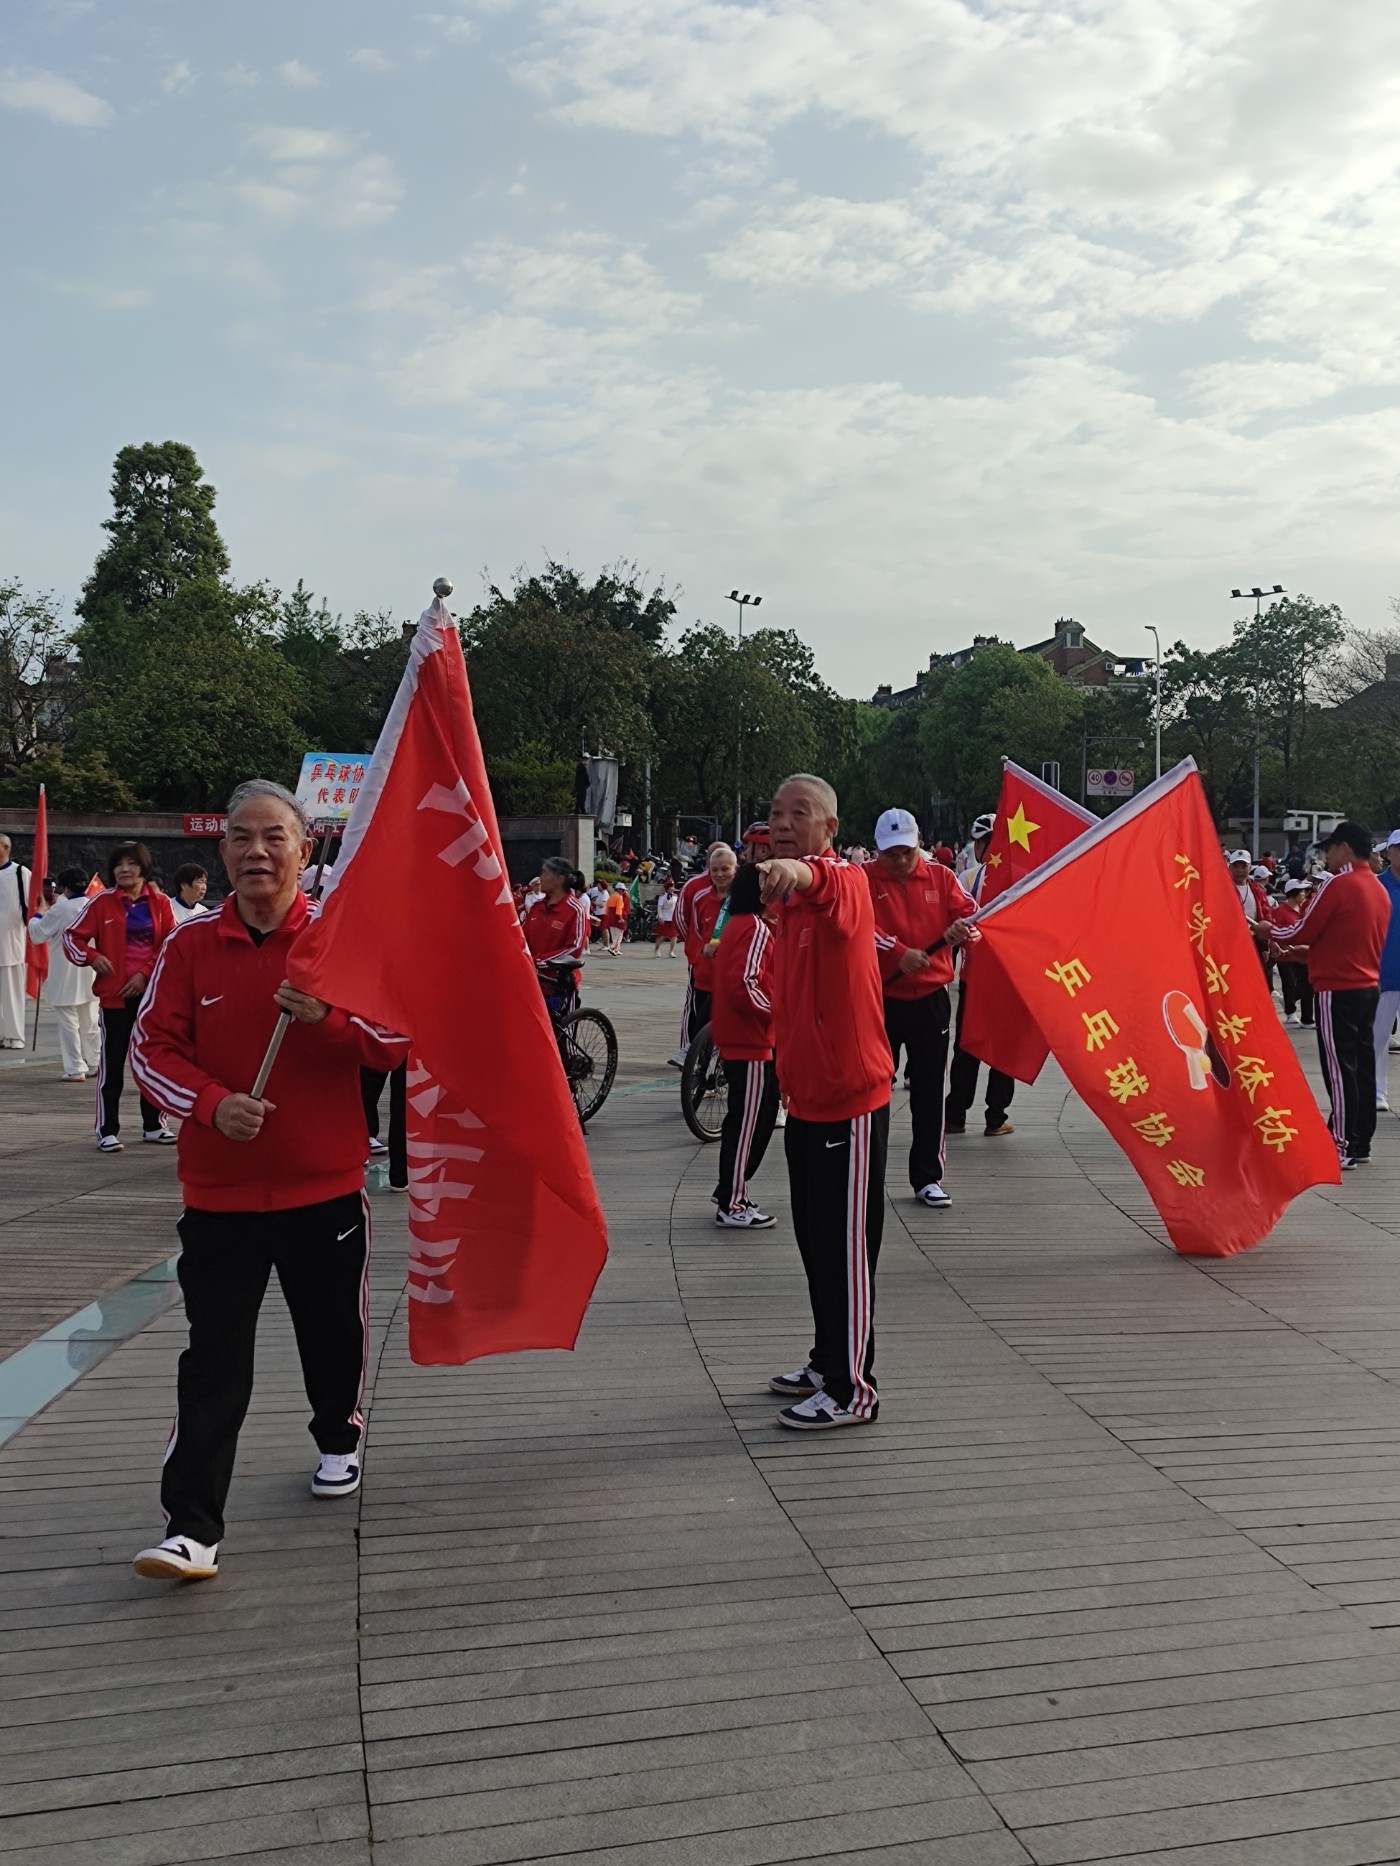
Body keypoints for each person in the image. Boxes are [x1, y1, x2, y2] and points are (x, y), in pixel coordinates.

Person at [126, 779, 409, 1582]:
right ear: (221, 853)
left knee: (332, 1334)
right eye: (242, 838)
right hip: (220, 1196)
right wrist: (212, 1105)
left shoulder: (337, 941)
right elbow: (150, 1051)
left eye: (273, 837)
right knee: (213, 1358)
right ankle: (191, 1528)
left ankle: (338, 1436)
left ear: (303, 848)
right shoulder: (190, 947)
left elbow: (395, 1038)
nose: (257, 852)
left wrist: (330, 1018)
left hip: (324, 1188)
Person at [759, 774, 893, 1431]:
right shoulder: (789, 912)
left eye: (800, 812)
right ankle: (826, 1361)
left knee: (846, 1251)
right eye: (776, 813)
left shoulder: (847, 882)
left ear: (830, 827)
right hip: (806, 1101)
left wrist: (792, 870)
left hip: (851, 1103)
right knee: (816, 1244)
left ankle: (852, 1389)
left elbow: (820, 878)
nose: (783, 822)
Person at [864, 808, 977, 1209]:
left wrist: (964, 930)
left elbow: (973, 916)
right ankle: (867, 1173)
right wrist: (898, 952)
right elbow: (856, 927)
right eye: (890, 854)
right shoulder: (862, 879)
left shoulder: (941, 878)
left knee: (929, 1091)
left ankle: (928, 1177)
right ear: (878, 850)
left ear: (918, 846)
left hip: (930, 999)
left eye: (906, 852)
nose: (899, 861)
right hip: (880, 997)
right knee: (873, 1089)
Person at [1272, 821, 1390, 1167]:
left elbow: (1302, 928)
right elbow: (1345, 942)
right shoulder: (1377, 888)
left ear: (1345, 848)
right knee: (1362, 1066)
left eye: (1331, 849)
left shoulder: (1339, 884)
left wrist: (1269, 931)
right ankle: (1360, 1141)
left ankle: (1341, 1142)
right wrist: (1306, 954)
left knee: (1338, 1068)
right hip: (1367, 986)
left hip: (1336, 988)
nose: (1328, 856)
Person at [63, 841, 177, 1151]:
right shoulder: (102, 903)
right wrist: (92, 956)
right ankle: (107, 1130)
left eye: (131, 864)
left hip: (151, 997)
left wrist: (145, 974)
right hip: (115, 998)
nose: (124, 870)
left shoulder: (160, 903)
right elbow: (72, 937)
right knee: (112, 1063)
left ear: (143, 867)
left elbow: (171, 945)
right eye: (118, 865)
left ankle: (154, 1125)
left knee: (153, 1060)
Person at [710, 863, 780, 1229]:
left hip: (740, 1036)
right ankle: (732, 1202)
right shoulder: (754, 927)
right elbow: (746, 983)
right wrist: (779, 1014)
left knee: (746, 1119)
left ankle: (731, 1191)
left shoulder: (739, 923)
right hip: (750, 1039)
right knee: (746, 1124)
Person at [946, 813, 1015, 1139]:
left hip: (974, 979)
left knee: (967, 1045)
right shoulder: (1021, 879)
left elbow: (955, 926)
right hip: (1007, 980)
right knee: (1003, 1050)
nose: (975, 848)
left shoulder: (969, 878)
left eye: (979, 842)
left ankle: (955, 1114)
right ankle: (995, 1117)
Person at [27, 866, 102, 1080]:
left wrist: (38, 913)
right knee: (90, 1022)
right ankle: (96, 1062)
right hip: (90, 970)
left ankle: (75, 1068)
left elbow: (37, 934)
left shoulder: (61, 909)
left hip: (65, 971)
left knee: (68, 1022)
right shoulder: (94, 905)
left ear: (65, 888)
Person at [669, 842, 736, 1066]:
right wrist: (696, 952)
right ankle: (696, 1061)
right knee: (699, 1019)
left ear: (735, 869)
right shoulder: (699, 894)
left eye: (725, 869)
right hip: (704, 970)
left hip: (734, 972)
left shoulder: (743, 898)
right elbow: (690, 927)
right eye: (715, 869)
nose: (719, 874)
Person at [522, 856, 590, 1005]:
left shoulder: (574, 909)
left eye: (544, 873)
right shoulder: (537, 907)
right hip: (531, 981)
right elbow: (521, 938)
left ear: (559, 879)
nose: (540, 878)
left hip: (558, 984)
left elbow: (574, 948)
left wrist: (538, 962)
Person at [1374, 831, 1400, 1112]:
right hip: (1384, 973)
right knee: (1379, 1037)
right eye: (1398, 849)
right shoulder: (1377, 886)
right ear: (1388, 852)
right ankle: (1378, 1091)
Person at [0, 831, 32, 1049]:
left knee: (12, 992)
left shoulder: (21, 873)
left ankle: (15, 1036)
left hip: (11, 943)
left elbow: (32, 905)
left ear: (5, 848)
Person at [1272, 879, 1315, 1028]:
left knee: (1308, 985)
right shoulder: (1280, 911)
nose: (1304, 895)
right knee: (1289, 984)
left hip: (1302, 954)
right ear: (1293, 893)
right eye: (1301, 892)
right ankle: (1290, 1012)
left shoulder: (1304, 909)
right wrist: (1276, 945)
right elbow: (1274, 930)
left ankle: (1307, 1018)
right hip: (1286, 955)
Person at [601, 880, 630, 955]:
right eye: (623, 890)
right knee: (619, 934)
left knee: (614, 934)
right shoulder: (619, 897)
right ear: (619, 890)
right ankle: (613, 948)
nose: (623, 892)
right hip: (617, 918)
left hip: (610, 918)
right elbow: (618, 910)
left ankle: (616, 949)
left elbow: (607, 908)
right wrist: (621, 918)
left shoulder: (611, 896)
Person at [654, 879, 679, 956]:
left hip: (673, 919)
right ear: (667, 888)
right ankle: (657, 950)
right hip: (665, 918)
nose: (672, 888)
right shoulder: (663, 897)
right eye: (670, 886)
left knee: (674, 936)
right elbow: (659, 907)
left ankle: (671, 952)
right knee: (662, 935)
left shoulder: (676, 896)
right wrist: (660, 917)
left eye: (673, 886)